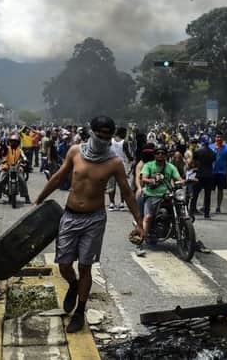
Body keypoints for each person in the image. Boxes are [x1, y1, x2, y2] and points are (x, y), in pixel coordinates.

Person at [34, 116, 144, 333]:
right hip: (70, 215)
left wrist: (139, 222)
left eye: (107, 136)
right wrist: (38, 200)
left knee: (85, 267)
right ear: (91, 132)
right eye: (99, 134)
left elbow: (127, 192)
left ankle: (79, 312)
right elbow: (57, 178)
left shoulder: (114, 162)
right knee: (64, 265)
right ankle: (73, 286)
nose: (103, 139)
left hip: (94, 219)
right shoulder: (75, 151)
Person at [137, 144, 184, 256]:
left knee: (181, 209)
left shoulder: (171, 167)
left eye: (163, 153)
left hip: (167, 195)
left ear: (166, 155)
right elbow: (143, 178)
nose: (160, 155)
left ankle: (189, 239)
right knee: (148, 217)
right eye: (158, 153)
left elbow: (178, 178)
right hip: (152, 195)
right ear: (154, 155)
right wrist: (150, 181)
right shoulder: (149, 165)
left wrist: (184, 181)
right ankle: (139, 244)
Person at [0, 134, 30, 204]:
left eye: (15, 142)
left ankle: (27, 197)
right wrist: (2, 148)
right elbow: (3, 152)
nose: (13, 143)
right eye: (12, 142)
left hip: (16, 167)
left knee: (22, 181)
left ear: (18, 142)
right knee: (0, 181)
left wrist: (25, 160)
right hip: (6, 167)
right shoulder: (7, 148)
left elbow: (24, 156)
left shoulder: (20, 150)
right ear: (9, 142)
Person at [107, 127, 133, 211]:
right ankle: (122, 203)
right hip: (121, 165)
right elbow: (128, 154)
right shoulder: (124, 142)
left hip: (110, 164)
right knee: (122, 185)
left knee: (111, 185)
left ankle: (111, 203)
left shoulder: (110, 140)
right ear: (122, 133)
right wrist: (132, 159)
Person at [190, 139, 216, 219]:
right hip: (209, 175)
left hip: (200, 174)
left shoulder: (198, 152)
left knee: (195, 194)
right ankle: (207, 213)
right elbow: (213, 162)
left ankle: (192, 211)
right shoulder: (213, 153)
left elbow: (193, 162)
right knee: (208, 195)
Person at [210, 132, 227, 214]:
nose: (218, 139)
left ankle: (218, 206)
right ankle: (206, 206)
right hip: (212, 171)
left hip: (222, 172)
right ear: (215, 138)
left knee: (220, 190)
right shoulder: (211, 147)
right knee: (209, 189)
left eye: (220, 137)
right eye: (217, 137)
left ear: (223, 138)